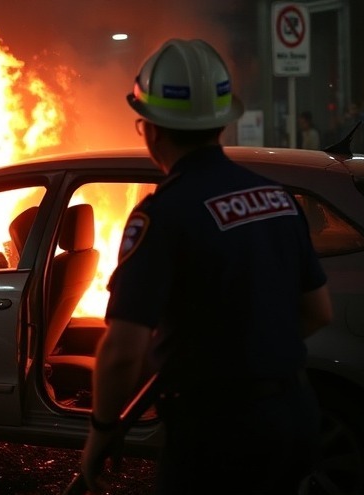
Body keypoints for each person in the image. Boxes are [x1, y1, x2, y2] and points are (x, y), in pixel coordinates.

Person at [76, 39, 333, 494]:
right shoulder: (276, 198)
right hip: (295, 414)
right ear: (221, 124)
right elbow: (317, 312)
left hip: (219, 433)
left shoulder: (164, 215)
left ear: (150, 129)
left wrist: (101, 427)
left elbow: (123, 351)